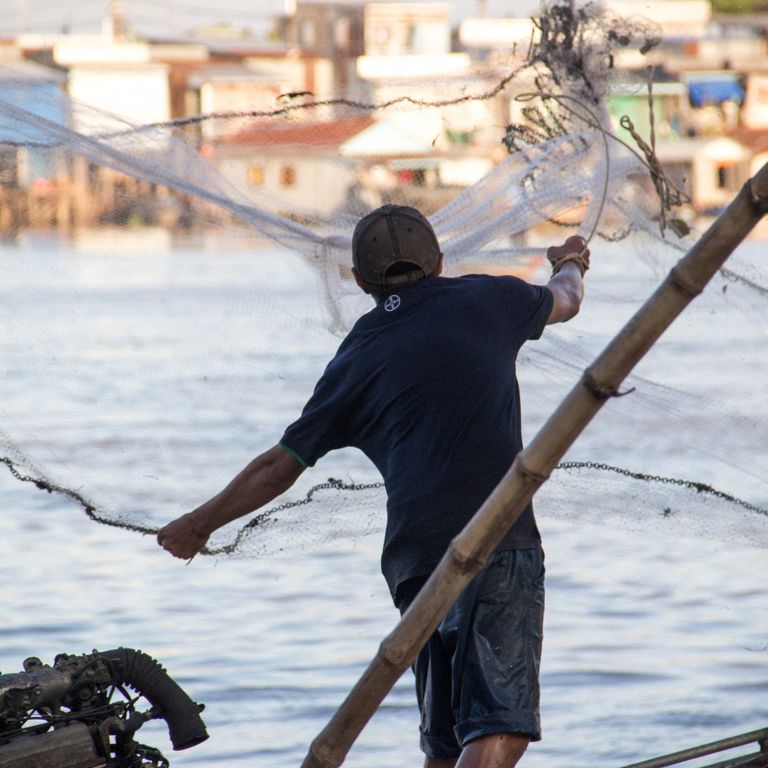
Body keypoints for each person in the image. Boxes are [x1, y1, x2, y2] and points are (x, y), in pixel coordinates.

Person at [157, 204, 588, 768]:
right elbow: (567, 298)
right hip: (495, 544)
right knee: (498, 726)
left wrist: (197, 525)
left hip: (415, 562)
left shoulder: (358, 356)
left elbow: (279, 466)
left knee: (446, 738)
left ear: (359, 280)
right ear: (438, 262)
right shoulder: (490, 299)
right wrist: (573, 260)